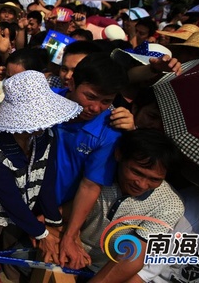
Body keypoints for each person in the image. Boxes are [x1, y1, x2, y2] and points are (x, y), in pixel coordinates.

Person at [0, 70, 83, 282]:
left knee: (15, 259)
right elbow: (8, 197)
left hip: (28, 208)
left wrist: (53, 220)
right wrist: (42, 233)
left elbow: (47, 179)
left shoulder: (46, 136)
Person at [53, 53, 130, 270]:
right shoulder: (45, 101)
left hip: (61, 212)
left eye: (106, 101)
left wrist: (69, 234)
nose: (96, 108)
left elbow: (90, 186)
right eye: (91, 96)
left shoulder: (110, 132)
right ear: (72, 83)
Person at [78, 129, 184, 282]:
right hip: (66, 248)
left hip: (100, 271)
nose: (141, 184)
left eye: (154, 179)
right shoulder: (100, 169)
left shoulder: (170, 205)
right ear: (119, 155)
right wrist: (70, 237)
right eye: (136, 172)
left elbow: (133, 255)